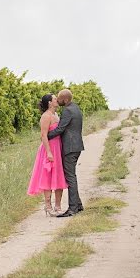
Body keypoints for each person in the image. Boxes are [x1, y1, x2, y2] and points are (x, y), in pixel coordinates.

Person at [27, 93, 67, 215]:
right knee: (48, 177)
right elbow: (43, 135)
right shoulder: (46, 116)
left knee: (59, 176)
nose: (57, 100)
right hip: (49, 149)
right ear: (50, 102)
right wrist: (49, 152)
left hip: (58, 148)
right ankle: (48, 206)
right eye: (55, 99)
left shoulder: (56, 115)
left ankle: (58, 206)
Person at [47, 88, 85, 217]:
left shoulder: (68, 111)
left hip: (70, 148)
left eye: (59, 98)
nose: (58, 100)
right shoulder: (76, 108)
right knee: (71, 176)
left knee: (70, 177)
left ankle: (73, 208)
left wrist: (46, 136)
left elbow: (60, 129)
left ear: (65, 99)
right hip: (77, 146)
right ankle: (78, 205)